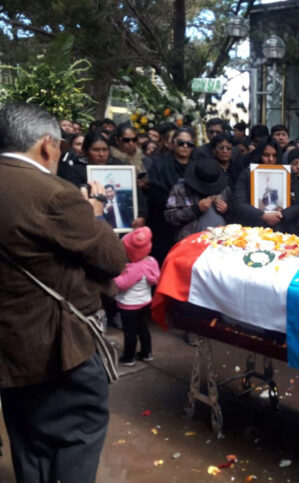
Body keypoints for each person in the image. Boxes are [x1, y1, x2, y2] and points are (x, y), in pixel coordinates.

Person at [0, 102, 127, 483]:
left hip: (9, 347)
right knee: (77, 434)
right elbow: (112, 259)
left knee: (29, 443)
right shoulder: (55, 194)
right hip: (56, 348)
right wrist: (96, 212)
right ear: (46, 145)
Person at [146, 127, 196, 263]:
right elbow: (154, 195)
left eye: (189, 144)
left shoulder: (198, 165)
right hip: (164, 222)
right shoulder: (159, 164)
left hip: (192, 222)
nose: (185, 146)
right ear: (173, 143)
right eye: (181, 143)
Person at [113, 227, 160, 366]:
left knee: (130, 333)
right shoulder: (151, 261)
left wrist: (115, 274)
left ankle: (128, 358)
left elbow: (122, 284)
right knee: (143, 328)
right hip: (144, 302)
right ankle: (146, 353)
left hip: (129, 306)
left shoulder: (135, 268)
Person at [165, 156, 235, 240]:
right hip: (191, 241)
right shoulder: (180, 189)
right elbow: (171, 217)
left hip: (220, 240)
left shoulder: (224, 189)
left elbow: (235, 215)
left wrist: (226, 210)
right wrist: (196, 209)